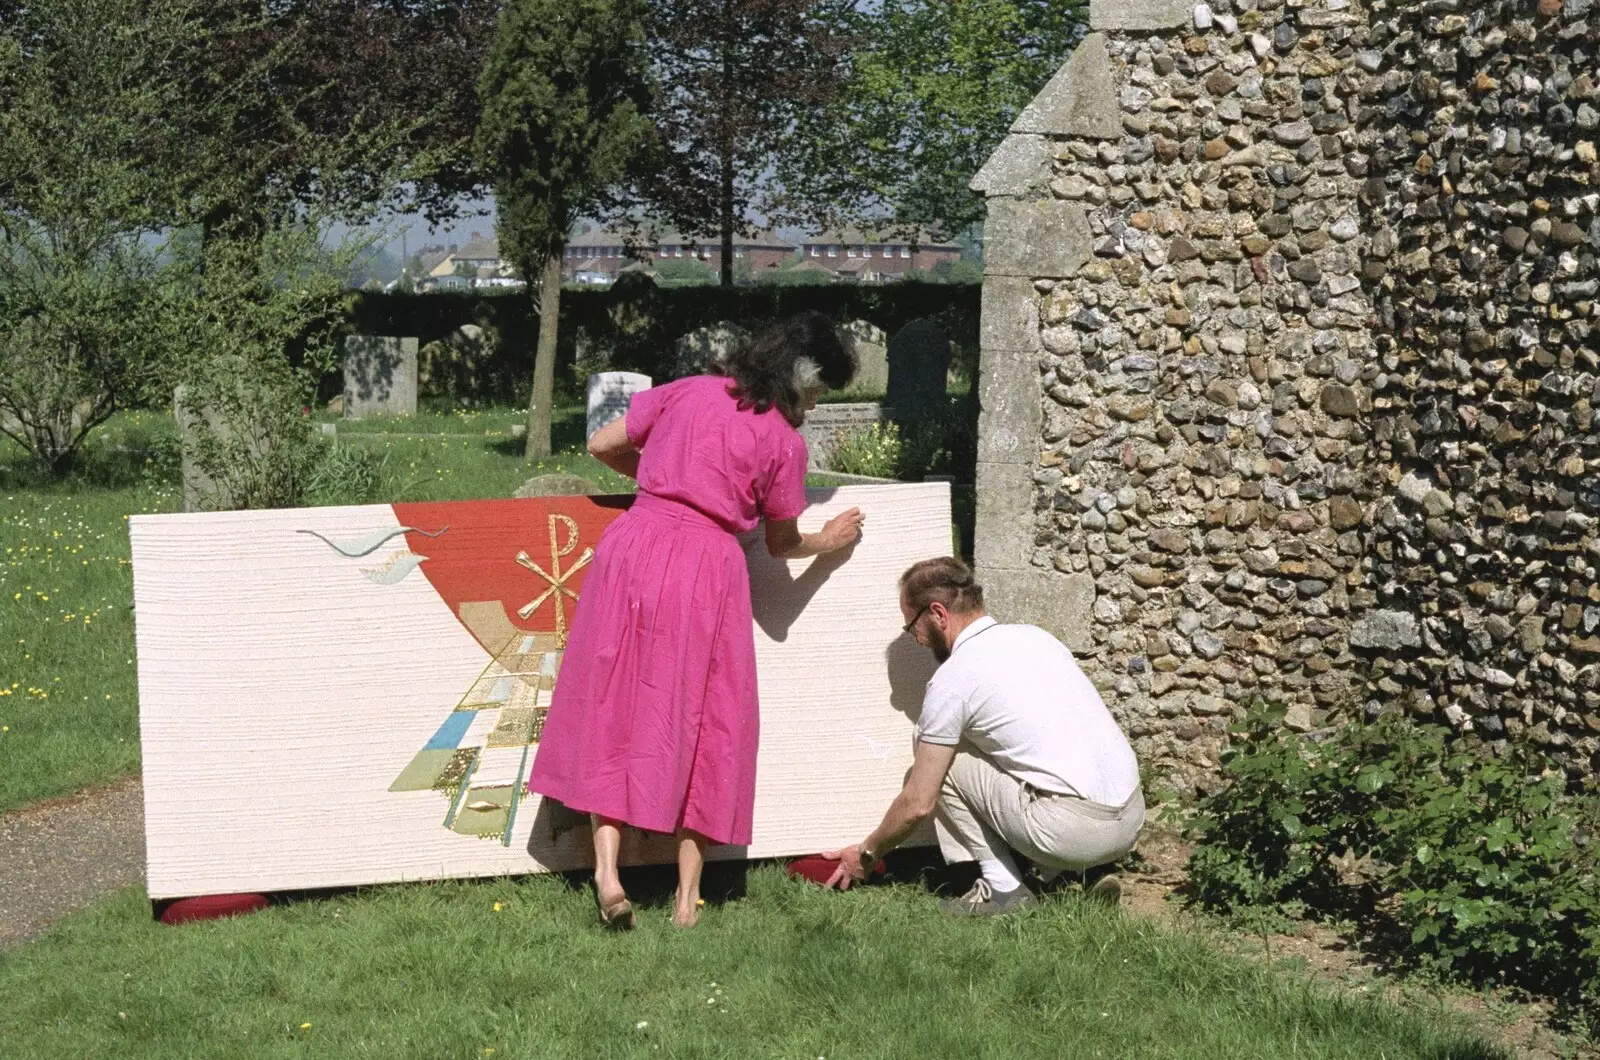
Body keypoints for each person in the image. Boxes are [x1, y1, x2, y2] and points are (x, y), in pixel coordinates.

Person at [528, 311, 865, 930]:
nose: (814, 407)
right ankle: (687, 901)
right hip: (705, 567)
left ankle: (607, 873)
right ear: (795, 380)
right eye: (816, 393)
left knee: (613, 701)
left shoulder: (688, 390)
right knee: (711, 716)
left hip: (633, 547)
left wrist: (662, 481)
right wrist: (829, 539)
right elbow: (782, 541)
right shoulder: (784, 443)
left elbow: (602, 444)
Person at [823, 557, 1144, 916]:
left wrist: (867, 853)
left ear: (938, 614)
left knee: (936, 759)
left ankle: (1003, 890)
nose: (913, 638)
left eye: (911, 625)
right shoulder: (1036, 637)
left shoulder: (953, 680)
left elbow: (919, 803)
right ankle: (1067, 875)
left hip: (1072, 829)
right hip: (1131, 820)